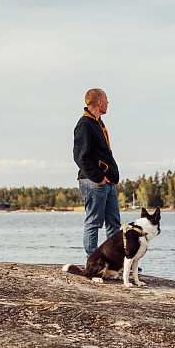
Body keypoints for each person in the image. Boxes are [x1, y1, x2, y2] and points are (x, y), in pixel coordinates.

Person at [73, 88, 120, 257]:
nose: (108, 102)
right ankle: (92, 260)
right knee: (94, 222)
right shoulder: (85, 125)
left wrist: (111, 178)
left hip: (108, 183)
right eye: (106, 99)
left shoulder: (99, 124)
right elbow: (79, 156)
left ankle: (116, 260)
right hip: (93, 182)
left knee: (114, 223)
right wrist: (99, 177)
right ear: (99, 102)